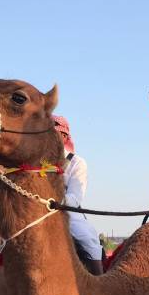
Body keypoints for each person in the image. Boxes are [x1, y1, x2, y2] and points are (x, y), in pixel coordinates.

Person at [53, 115, 104, 275]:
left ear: (64, 136)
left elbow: (75, 198)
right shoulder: (35, 161)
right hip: (37, 210)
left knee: (87, 239)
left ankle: (100, 281)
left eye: (53, 133)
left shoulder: (76, 162)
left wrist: (54, 199)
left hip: (67, 211)